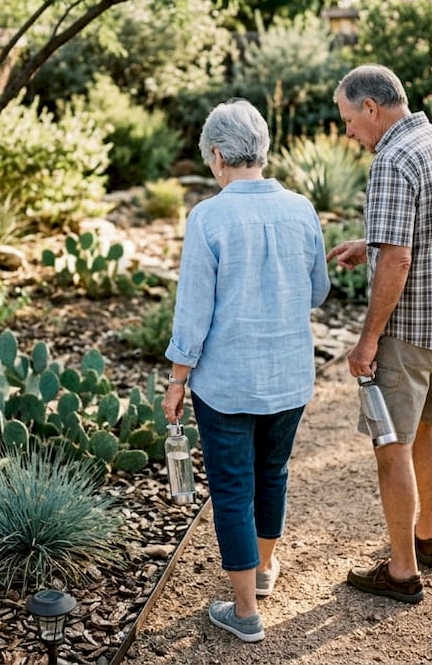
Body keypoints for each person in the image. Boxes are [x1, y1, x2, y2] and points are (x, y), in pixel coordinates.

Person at [163, 98, 331, 642]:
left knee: (233, 488)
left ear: (217, 156)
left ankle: (245, 613)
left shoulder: (209, 216)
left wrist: (177, 378)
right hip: (288, 376)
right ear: (261, 149)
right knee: (273, 472)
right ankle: (261, 571)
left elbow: (193, 311)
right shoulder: (302, 209)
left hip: (227, 382)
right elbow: (320, 291)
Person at [326, 65, 432, 603]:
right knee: (427, 429)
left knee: (390, 444)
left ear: (371, 108)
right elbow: (428, 227)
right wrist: (367, 242)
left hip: (410, 332)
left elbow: (400, 256)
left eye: (349, 119)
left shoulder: (392, 158)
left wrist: (368, 340)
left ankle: (401, 572)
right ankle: (427, 538)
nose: (349, 133)